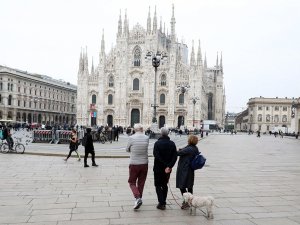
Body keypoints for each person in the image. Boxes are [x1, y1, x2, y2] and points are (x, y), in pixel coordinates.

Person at [126, 123, 150, 210]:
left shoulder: (131, 138)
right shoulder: (147, 138)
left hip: (134, 164)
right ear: (142, 129)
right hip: (144, 163)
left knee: (132, 182)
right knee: (141, 182)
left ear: (134, 130)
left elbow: (127, 149)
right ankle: (139, 198)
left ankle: (137, 197)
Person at [153, 127, 178, 210]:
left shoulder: (157, 143)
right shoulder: (172, 144)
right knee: (164, 185)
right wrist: (169, 166)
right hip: (167, 169)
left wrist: (164, 165)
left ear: (161, 133)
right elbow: (175, 157)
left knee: (157, 185)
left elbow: (156, 155)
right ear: (168, 133)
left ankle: (161, 202)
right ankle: (163, 201)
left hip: (158, 168)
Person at [176, 135, 200, 209]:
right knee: (189, 186)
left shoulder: (189, 149)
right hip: (190, 169)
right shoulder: (195, 148)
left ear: (190, 140)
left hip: (185, 169)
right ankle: (190, 201)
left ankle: (187, 201)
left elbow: (178, 153)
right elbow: (183, 151)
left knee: (182, 185)